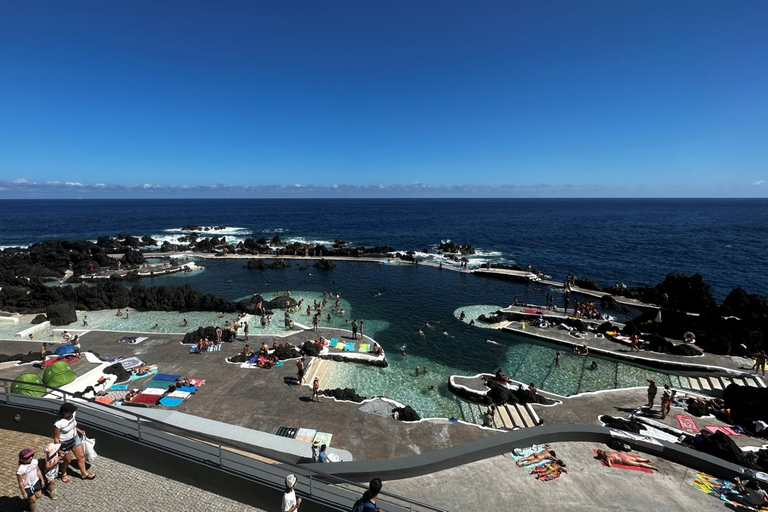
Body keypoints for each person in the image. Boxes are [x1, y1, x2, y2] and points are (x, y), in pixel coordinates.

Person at [53, 402, 96, 480]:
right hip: (64, 443)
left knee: (81, 456)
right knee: (67, 460)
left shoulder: (72, 415)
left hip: (74, 438)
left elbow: (73, 425)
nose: (72, 412)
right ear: (65, 412)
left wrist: (79, 430)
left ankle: (84, 473)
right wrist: (58, 450)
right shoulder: (58, 424)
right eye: (70, 411)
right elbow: (56, 438)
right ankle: (63, 473)